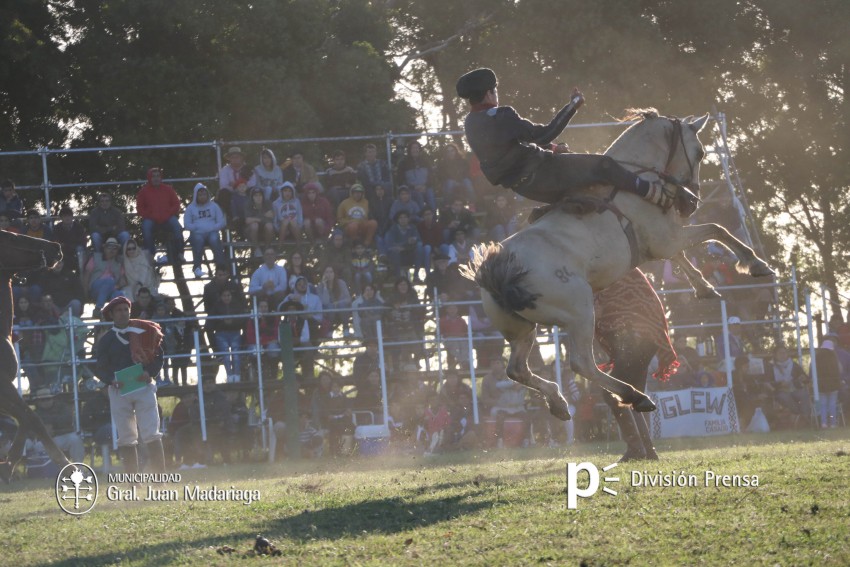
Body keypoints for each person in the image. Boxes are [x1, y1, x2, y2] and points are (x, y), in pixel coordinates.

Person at [455, 67, 698, 215]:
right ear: (489, 93)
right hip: (543, 173)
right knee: (604, 166)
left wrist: (552, 149)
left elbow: (510, 149)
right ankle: (655, 194)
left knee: (589, 189)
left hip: (526, 187)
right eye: (495, 90)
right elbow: (545, 133)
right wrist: (573, 105)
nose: (497, 94)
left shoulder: (470, 124)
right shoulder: (501, 115)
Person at [95, 296, 166, 474]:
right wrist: (110, 379)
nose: (123, 313)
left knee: (151, 432)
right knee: (126, 437)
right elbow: (100, 366)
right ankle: (133, 482)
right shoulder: (105, 340)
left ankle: (160, 480)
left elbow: (158, 356)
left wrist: (149, 372)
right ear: (111, 314)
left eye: (125, 309)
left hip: (143, 386)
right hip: (119, 390)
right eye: (118, 310)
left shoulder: (144, 330)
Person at [137, 167, 185, 264]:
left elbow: (176, 204)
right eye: (153, 176)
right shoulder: (143, 191)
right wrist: (150, 215)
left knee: (177, 226)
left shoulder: (168, 189)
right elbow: (140, 208)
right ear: (149, 178)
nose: (156, 178)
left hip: (167, 217)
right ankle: (150, 254)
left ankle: (180, 253)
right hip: (151, 219)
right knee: (146, 227)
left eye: (158, 176)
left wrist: (168, 213)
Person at [29, 388, 85, 463]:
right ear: (38, 402)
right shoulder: (34, 413)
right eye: (42, 400)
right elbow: (30, 430)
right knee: (37, 447)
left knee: (75, 440)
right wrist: (42, 432)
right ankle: (49, 470)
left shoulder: (63, 407)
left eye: (48, 399)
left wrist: (51, 425)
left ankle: (79, 468)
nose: (46, 402)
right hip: (44, 440)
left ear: (52, 399)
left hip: (63, 436)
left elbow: (67, 419)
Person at [183, 183, 227, 278]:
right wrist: (196, 228)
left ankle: (221, 268)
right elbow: (186, 224)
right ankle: (197, 268)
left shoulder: (214, 206)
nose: (202, 196)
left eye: (204, 194)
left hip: (212, 232)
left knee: (215, 239)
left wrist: (213, 228)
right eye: (200, 195)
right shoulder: (190, 208)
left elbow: (221, 222)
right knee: (198, 241)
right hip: (197, 233)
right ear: (196, 196)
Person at [767, 344, 811, 425]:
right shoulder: (770, 366)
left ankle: (805, 416)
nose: (783, 355)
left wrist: (803, 378)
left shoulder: (793, 365)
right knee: (784, 397)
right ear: (775, 355)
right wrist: (780, 385)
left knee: (804, 394)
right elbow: (768, 382)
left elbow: (806, 378)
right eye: (780, 353)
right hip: (780, 391)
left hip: (794, 389)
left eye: (784, 353)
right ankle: (801, 416)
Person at [207, 288, 246, 382]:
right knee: (225, 354)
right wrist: (223, 322)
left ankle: (237, 375)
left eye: (228, 295)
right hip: (221, 334)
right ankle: (229, 375)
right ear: (221, 297)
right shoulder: (215, 307)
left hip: (235, 332)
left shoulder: (237, 306)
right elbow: (211, 323)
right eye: (224, 295)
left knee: (236, 354)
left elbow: (242, 321)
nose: (226, 297)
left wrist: (233, 322)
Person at [83, 236, 126, 314]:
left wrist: (117, 286)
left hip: (111, 289)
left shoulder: (118, 262)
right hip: (95, 288)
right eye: (109, 247)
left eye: (115, 248)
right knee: (109, 281)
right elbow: (87, 275)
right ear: (104, 248)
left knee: (119, 294)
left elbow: (123, 280)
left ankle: (112, 315)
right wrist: (86, 293)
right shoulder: (95, 258)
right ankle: (98, 308)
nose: (112, 250)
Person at [385, 211, 428, 280]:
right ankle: (398, 278)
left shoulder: (413, 228)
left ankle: (416, 275)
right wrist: (406, 243)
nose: (403, 219)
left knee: (420, 247)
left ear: (408, 219)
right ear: (398, 220)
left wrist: (404, 247)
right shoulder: (393, 229)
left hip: (410, 255)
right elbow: (391, 244)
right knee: (394, 252)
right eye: (401, 218)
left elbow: (419, 241)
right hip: (398, 256)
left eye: (405, 217)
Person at [397, 141, 436, 211]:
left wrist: (425, 186)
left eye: (417, 148)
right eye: (413, 148)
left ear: (419, 149)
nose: (415, 150)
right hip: (411, 189)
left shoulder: (426, 161)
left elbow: (431, 176)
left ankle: (432, 219)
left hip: (426, 187)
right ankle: (420, 219)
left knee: (431, 196)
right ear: (409, 150)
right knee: (419, 196)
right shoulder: (403, 163)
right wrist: (413, 187)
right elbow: (400, 180)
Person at [218, 146, 257, 216]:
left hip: (246, 191)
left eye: (237, 157)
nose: (235, 159)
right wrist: (239, 187)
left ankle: (253, 215)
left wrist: (236, 185)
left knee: (254, 191)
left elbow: (253, 184)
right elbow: (223, 185)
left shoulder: (249, 168)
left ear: (241, 158)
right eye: (232, 157)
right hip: (231, 193)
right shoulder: (225, 170)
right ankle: (229, 217)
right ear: (229, 159)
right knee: (222, 193)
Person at [435, 142, 476, 207]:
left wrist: (459, 180)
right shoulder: (442, 163)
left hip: (462, 180)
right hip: (449, 182)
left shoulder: (463, 161)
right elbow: (442, 176)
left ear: (456, 151)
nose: (450, 153)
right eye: (448, 151)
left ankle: (472, 205)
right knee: (449, 183)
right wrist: (454, 181)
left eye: (452, 151)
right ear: (446, 153)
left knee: (468, 182)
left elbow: (466, 173)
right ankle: (447, 205)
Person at [814, 338, 842, 428]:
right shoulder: (834, 357)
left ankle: (824, 423)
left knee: (823, 405)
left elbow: (813, 371)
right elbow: (839, 370)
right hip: (833, 384)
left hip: (821, 385)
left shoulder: (817, 357)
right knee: (832, 405)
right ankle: (833, 423)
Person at [238, 187, 276, 254]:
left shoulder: (267, 203)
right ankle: (256, 249)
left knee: (269, 226)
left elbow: (271, 216)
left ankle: (267, 249)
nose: (258, 197)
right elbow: (247, 220)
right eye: (256, 195)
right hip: (251, 231)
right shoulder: (248, 204)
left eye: (260, 195)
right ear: (252, 197)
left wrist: (255, 219)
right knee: (254, 225)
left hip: (265, 229)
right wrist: (263, 217)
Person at [51, 205, 88, 272]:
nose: (67, 218)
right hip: (63, 252)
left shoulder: (79, 227)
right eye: (65, 216)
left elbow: (83, 242)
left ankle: (82, 272)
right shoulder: (57, 228)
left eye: (69, 215)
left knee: (80, 249)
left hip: (76, 251)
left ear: (72, 216)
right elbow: (56, 242)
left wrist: (66, 245)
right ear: (61, 218)